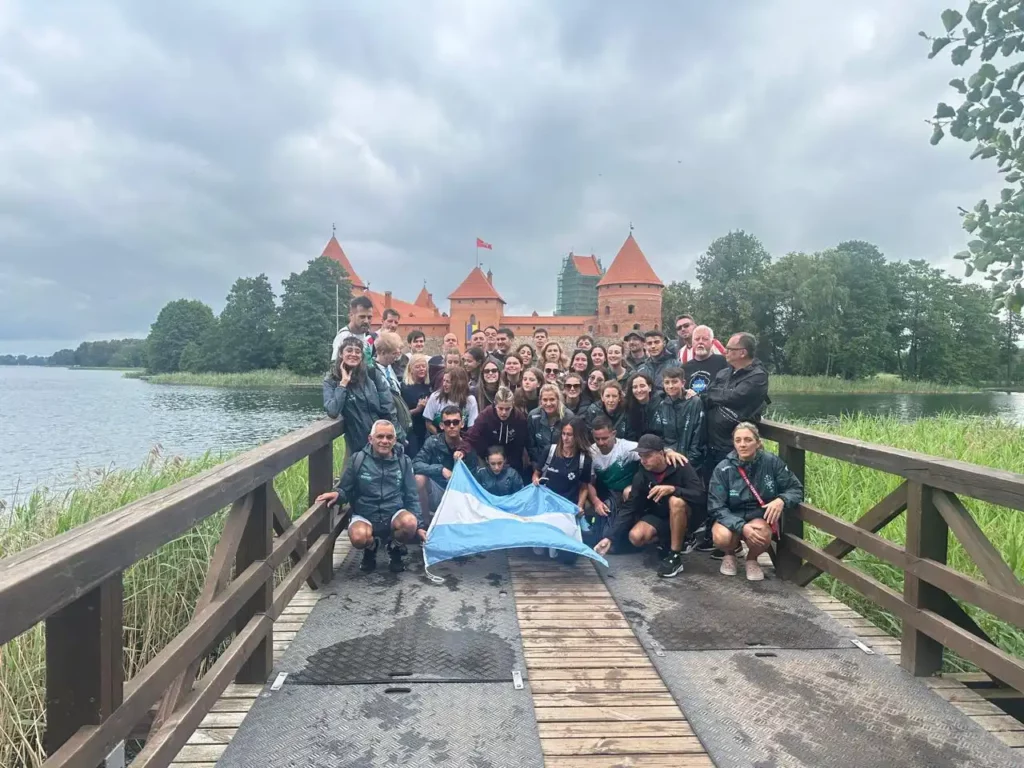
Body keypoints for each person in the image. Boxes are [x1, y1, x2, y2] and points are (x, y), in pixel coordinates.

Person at [314, 420, 423, 573]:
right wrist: (337, 494)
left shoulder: (404, 461)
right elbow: (345, 489)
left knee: (410, 523)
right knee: (359, 537)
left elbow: (412, 495)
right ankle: (371, 547)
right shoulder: (358, 460)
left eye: (389, 437)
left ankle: (394, 547)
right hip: (365, 513)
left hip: (393, 513)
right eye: (380, 436)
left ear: (394, 439)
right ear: (370, 439)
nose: (384, 441)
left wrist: (420, 526)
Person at [594, 435, 706, 578]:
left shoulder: (680, 465)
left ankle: (675, 556)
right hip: (659, 516)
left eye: (648, 455)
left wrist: (673, 489)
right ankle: (665, 542)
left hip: (686, 516)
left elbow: (700, 495)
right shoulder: (642, 474)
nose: (643, 460)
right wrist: (609, 537)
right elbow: (630, 507)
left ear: (661, 453)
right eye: (641, 456)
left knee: (675, 501)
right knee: (635, 536)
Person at [708, 422, 803, 581]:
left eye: (748, 440)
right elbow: (716, 506)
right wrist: (742, 526)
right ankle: (729, 554)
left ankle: (752, 559)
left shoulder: (771, 462)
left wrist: (781, 500)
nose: (742, 445)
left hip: (758, 517)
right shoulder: (723, 468)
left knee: (762, 533)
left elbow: (796, 489)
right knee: (721, 536)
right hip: (731, 517)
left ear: (758, 443)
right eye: (738, 440)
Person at [586, 418, 689, 549]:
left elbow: (650, 450)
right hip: (607, 493)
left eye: (605, 438)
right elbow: (588, 482)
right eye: (597, 439)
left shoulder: (626, 447)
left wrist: (669, 452)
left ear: (613, 434)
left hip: (630, 490)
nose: (601, 443)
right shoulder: (591, 452)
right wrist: (596, 501)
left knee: (629, 493)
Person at [702, 332, 770, 477]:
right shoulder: (723, 373)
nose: (725, 351)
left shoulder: (758, 376)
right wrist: (718, 395)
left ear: (742, 353)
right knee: (712, 487)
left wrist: (716, 394)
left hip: (735, 445)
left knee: (735, 487)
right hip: (711, 442)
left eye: (729, 348)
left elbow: (735, 397)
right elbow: (707, 394)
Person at [324, 336, 403, 454]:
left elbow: (388, 408)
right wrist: (343, 384)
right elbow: (333, 411)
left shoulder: (371, 374)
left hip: (383, 440)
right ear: (341, 353)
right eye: (349, 350)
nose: (353, 354)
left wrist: (396, 437)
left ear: (361, 356)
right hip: (359, 444)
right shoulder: (331, 380)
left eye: (357, 351)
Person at [533, 417, 596, 564]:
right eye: (564, 434)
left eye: (570, 435)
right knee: (539, 551)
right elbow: (536, 472)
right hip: (547, 504)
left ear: (578, 436)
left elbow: (584, 486)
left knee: (568, 558)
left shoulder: (584, 459)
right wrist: (535, 480)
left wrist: (580, 506)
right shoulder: (550, 450)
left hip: (567, 506)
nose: (566, 438)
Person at [414, 405, 478, 516]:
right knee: (419, 479)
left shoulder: (468, 446)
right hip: (438, 491)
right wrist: (440, 470)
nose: (452, 426)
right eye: (448, 423)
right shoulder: (432, 442)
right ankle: (425, 524)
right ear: (442, 426)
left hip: (461, 493)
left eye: (455, 422)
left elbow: (473, 477)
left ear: (462, 424)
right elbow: (415, 464)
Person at [466, 386, 529, 478]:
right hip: (486, 456)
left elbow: (521, 445)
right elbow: (471, 437)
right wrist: (462, 451)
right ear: (495, 404)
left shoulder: (519, 419)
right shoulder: (485, 415)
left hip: (510, 458)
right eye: (500, 408)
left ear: (513, 405)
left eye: (507, 409)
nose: (504, 412)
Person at [655, 367, 706, 474]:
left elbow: (699, 436)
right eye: (667, 382)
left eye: (674, 382)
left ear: (683, 382)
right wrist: (667, 451)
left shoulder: (694, 402)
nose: (670, 386)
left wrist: (690, 461)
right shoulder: (662, 405)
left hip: (691, 463)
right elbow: (659, 435)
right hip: (668, 460)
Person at [527, 383, 573, 467]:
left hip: (562, 463)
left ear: (558, 400)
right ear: (540, 400)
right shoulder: (533, 416)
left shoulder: (568, 416)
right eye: (545, 400)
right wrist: (538, 465)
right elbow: (531, 445)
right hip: (539, 462)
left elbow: (572, 444)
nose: (548, 403)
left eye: (552, 399)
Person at [423, 366, 478, 433]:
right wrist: (444, 439)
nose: (444, 384)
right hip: (438, 436)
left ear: (458, 383)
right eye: (444, 381)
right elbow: (428, 424)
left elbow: (472, 427)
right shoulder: (435, 397)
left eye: (448, 382)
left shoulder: (470, 400)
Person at [683, 325, 729, 396]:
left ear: (712, 342)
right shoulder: (684, 368)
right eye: (697, 339)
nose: (700, 342)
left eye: (705, 339)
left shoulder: (722, 362)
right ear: (692, 342)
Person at [401, 353, 431, 458]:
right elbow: (402, 415)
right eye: (417, 367)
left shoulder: (429, 386)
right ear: (410, 369)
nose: (421, 369)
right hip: (412, 431)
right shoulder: (405, 388)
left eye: (423, 366)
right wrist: (418, 409)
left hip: (427, 429)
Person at [331, 295, 376, 364]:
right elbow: (334, 366)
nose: (366, 321)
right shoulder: (343, 337)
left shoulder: (369, 337)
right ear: (351, 315)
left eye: (369, 317)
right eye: (362, 317)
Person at [623, 372, 661, 441]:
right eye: (635, 387)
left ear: (649, 388)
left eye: (642, 386)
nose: (639, 390)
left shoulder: (660, 405)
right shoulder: (628, 407)